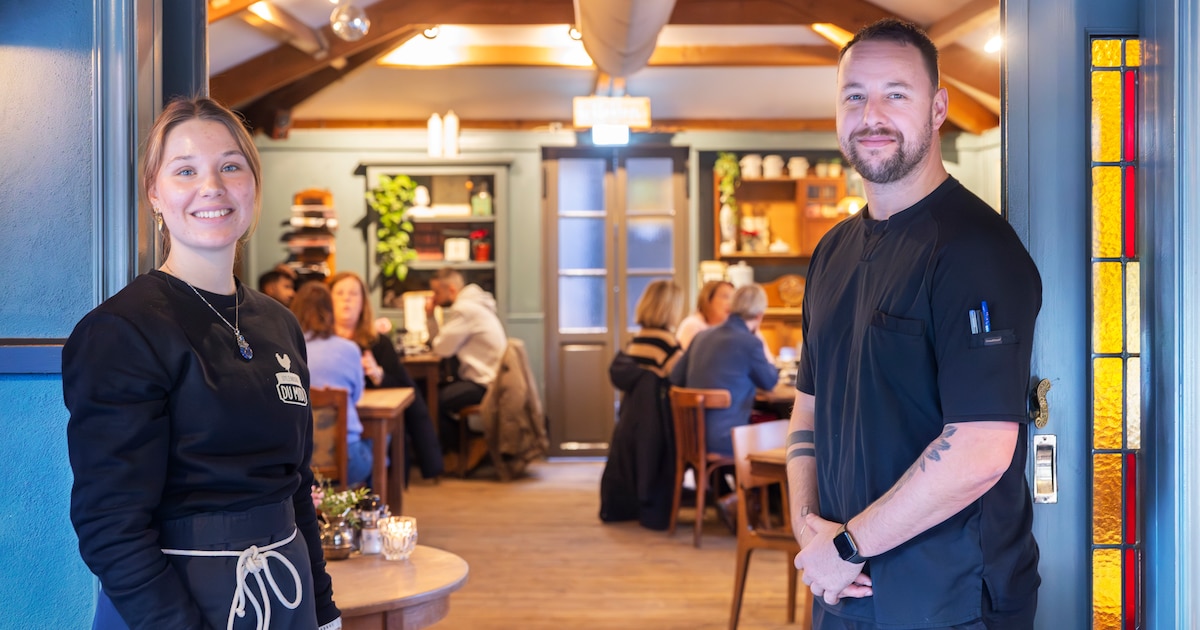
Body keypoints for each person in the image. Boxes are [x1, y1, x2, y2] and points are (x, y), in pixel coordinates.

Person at [787, 18, 1042, 630]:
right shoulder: (833, 250)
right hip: (843, 589)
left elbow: (980, 450)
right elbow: (807, 410)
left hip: (948, 600)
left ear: (937, 109)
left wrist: (846, 546)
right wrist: (809, 532)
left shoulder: (975, 250)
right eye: (855, 96)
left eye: (895, 94)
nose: (872, 114)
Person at [62, 97, 341, 629]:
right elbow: (110, 526)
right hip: (175, 606)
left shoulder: (279, 324)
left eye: (230, 166)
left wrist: (324, 610)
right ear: (155, 196)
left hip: (286, 593)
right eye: (185, 170)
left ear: (253, 188)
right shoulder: (121, 331)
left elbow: (296, 486)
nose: (211, 186)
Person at [328, 271, 444, 480]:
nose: (346, 299)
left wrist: (377, 374)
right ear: (328, 300)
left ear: (363, 301)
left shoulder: (377, 342)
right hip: (328, 420)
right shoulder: (318, 342)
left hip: (369, 420)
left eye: (353, 294)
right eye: (340, 293)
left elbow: (403, 386)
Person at [600, 279, 686, 530]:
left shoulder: (636, 340)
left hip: (632, 425)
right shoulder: (666, 344)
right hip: (656, 431)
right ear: (671, 308)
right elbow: (682, 379)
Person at [670, 284, 778, 458]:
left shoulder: (701, 336)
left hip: (691, 437)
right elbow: (769, 381)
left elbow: (675, 377)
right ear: (759, 316)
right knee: (784, 429)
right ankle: (759, 486)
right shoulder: (750, 342)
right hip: (728, 439)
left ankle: (734, 485)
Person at [292, 281, 372, 487]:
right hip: (346, 459)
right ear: (330, 310)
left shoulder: (287, 348)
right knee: (381, 441)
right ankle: (368, 513)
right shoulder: (349, 349)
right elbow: (356, 396)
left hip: (297, 460)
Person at [425, 268, 507, 451]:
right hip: (491, 378)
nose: (434, 297)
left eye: (437, 292)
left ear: (452, 290)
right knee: (434, 393)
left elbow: (441, 349)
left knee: (431, 399)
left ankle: (461, 448)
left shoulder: (465, 310)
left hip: (483, 382)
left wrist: (430, 317)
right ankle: (468, 442)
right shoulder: (476, 305)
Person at [677, 279, 773, 362]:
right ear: (707, 299)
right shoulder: (692, 325)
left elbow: (768, 360)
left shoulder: (737, 328)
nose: (731, 303)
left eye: (733, 298)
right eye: (725, 297)